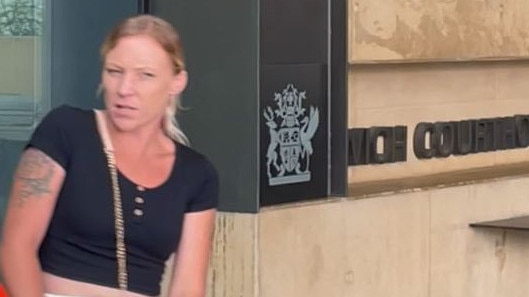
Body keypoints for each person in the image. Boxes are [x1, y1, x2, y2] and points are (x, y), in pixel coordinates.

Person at [0, 14, 218, 297]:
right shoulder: (66, 130)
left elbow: (188, 288)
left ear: (177, 82)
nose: (125, 89)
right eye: (114, 71)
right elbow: (16, 246)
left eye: (145, 75)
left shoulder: (195, 173)